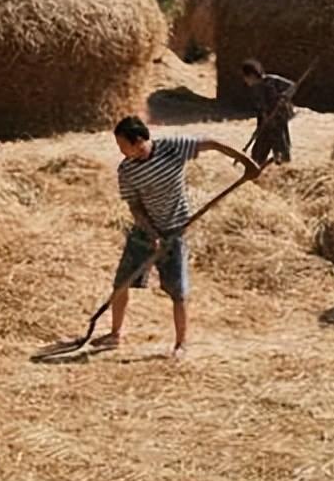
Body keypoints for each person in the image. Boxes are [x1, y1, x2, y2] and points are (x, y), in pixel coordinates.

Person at [92, 116, 248, 360]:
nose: (121, 151)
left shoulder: (172, 148)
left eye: (124, 145)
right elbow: (135, 206)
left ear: (140, 141)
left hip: (176, 230)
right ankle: (115, 334)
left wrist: (244, 160)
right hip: (144, 232)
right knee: (121, 283)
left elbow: (212, 143)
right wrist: (152, 233)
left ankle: (181, 344)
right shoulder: (127, 169)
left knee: (178, 291)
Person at [241, 58, 294, 164]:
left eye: (246, 77)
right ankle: (256, 167)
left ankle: (283, 166)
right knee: (259, 149)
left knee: (280, 145)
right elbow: (260, 108)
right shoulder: (255, 89)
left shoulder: (272, 81)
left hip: (278, 119)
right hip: (266, 121)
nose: (245, 80)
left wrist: (283, 98)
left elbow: (292, 87)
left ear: (251, 75)